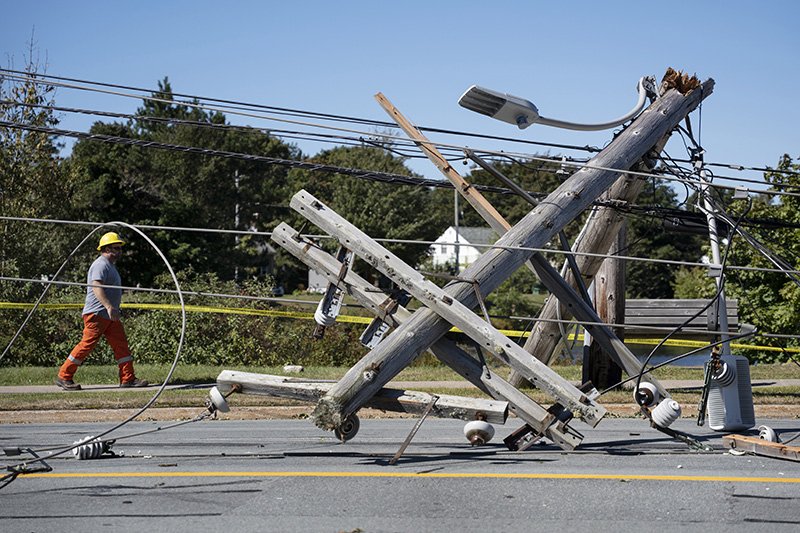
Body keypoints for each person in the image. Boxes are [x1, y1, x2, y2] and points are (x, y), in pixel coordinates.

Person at [55, 232, 148, 391]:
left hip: (109, 315)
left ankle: (128, 378)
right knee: (86, 345)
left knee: (121, 346)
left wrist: (111, 309)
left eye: (120, 248)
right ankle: (64, 376)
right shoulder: (101, 264)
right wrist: (109, 306)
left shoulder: (110, 266)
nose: (119, 251)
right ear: (105, 249)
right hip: (97, 314)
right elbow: (96, 287)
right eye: (115, 248)